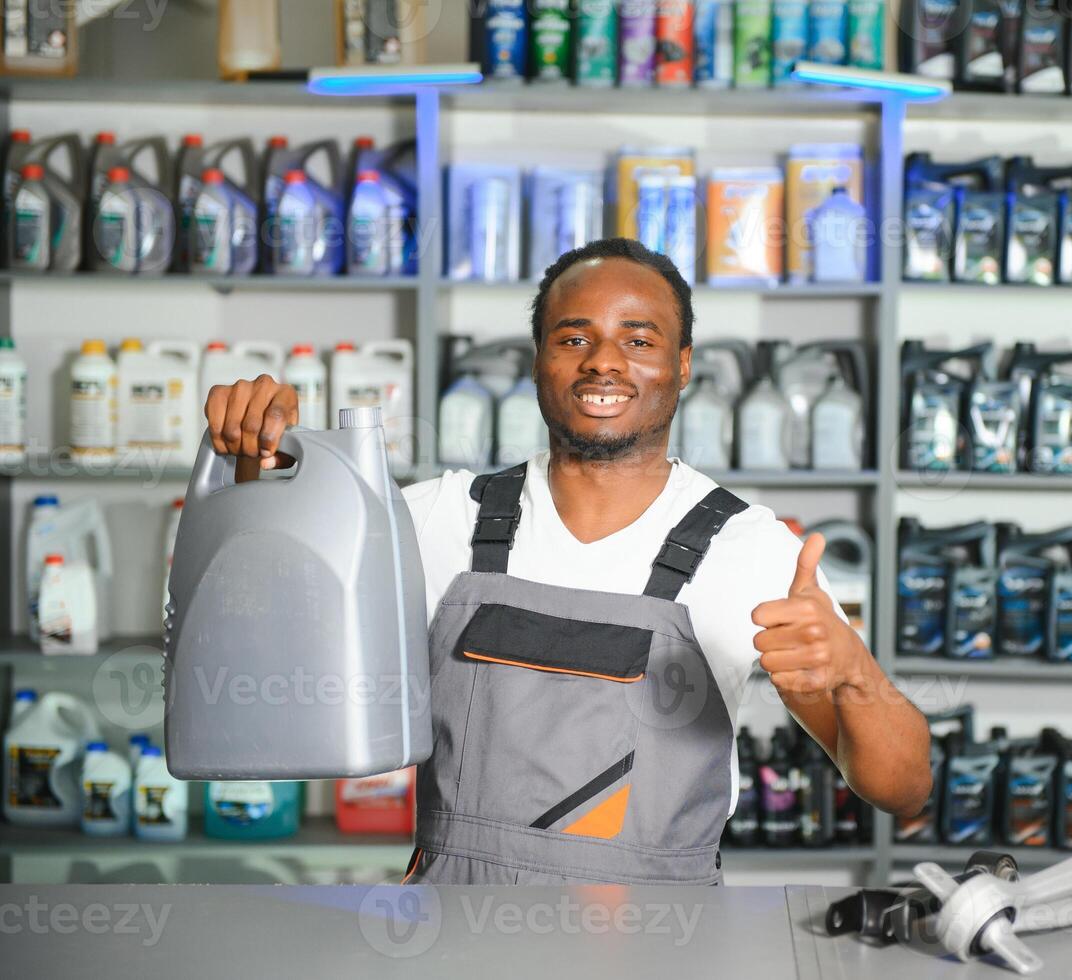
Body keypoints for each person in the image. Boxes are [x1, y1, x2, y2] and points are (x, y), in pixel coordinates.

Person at [204, 237, 932, 885]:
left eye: (639, 341)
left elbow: (902, 789)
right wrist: (257, 463)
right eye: (573, 337)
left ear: (682, 367)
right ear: (538, 362)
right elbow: (267, 635)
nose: (605, 362)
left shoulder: (753, 553)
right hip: (454, 944)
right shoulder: (436, 518)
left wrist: (852, 673)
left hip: (659, 952)